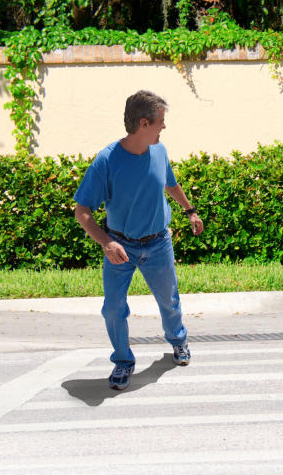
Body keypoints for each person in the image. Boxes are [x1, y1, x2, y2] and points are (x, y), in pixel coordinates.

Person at [73, 90, 204, 391]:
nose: (164, 127)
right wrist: (106, 243)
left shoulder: (159, 151)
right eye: (161, 121)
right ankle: (123, 360)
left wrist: (190, 210)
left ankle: (178, 341)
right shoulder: (106, 161)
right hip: (120, 246)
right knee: (113, 308)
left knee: (169, 300)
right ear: (144, 123)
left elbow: (170, 183)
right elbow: (82, 212)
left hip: (159, 243)